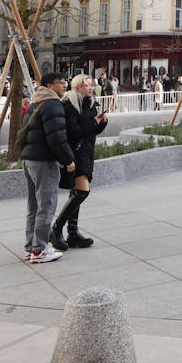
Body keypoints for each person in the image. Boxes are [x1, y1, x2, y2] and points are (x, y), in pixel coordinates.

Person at [20, 71, 75, 263]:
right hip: (43, 161)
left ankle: (31, 247)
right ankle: (39, 250)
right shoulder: (53, 105)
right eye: (62, 83)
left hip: (29, 160)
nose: (64, 86)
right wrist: (68, 159)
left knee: (34, 206)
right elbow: (57, 137)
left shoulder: (36, 102)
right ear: (50, 85)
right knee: (47, 204)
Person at [51, 74, 109, 251]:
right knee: (82, 191)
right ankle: (57, 228)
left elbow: (89, 131)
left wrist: (101, 123)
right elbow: (74, 132)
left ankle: (73, 232)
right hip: (75, 153)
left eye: (92, 85)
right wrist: (94, 121)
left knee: (76, 193)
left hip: (86, 152)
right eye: (87, 85)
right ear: (77, 87)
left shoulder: (88, 103)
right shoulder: (70, 104)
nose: (91, 88)